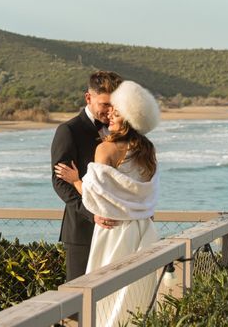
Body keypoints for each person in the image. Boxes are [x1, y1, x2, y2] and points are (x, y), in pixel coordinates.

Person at [55, 80, 161, 326]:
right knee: (136, 295)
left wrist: (75, 180)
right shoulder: (148, 149)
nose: (109, 118)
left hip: (112, 231)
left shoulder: (106, 149)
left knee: (104, 295)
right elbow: (145, 195)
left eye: (114, 114)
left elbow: (96, 197)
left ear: (126, 119)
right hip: (143, 230)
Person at [51, 70, 123, 282]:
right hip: (82, 232)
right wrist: (92, 215)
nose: (109, 111)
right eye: (104, 104)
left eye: (113, 105)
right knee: (79, 297)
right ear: (88, 98)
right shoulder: (68, 130)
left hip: (116, 230)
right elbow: (59, 182)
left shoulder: (119, 129)